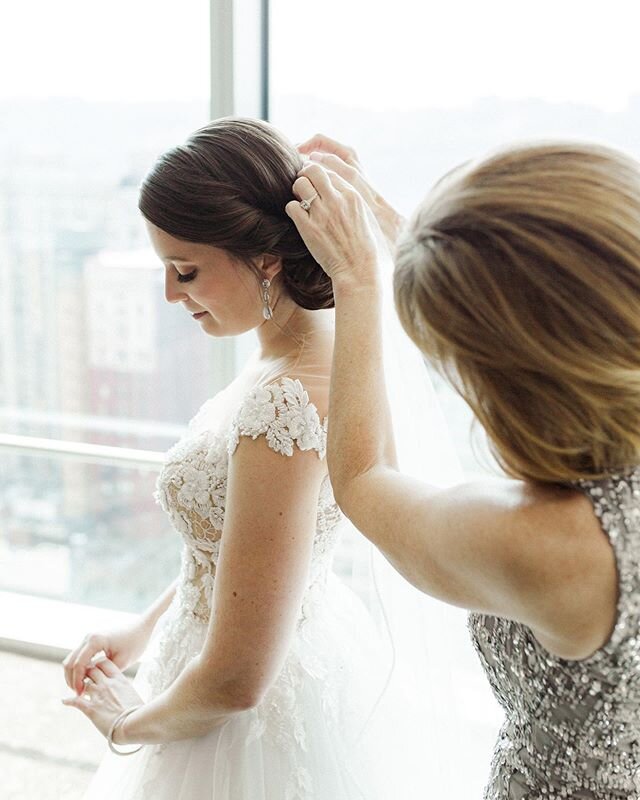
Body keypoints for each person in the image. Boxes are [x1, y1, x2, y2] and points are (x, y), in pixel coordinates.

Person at [61, 118, 426, 799]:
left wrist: (127, 724)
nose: (172, 294)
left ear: (265, 259)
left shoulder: (289, 400)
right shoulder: (284, 362)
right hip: (218, 665)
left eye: (186, 270)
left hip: (235, 728)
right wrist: (143, 631)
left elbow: (236, 679)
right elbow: (244, 548)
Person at [287, 135, 640, 798]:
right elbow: (547, 301)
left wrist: (358, 279)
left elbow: (365, 481)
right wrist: (413, 240)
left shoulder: (564, 548)